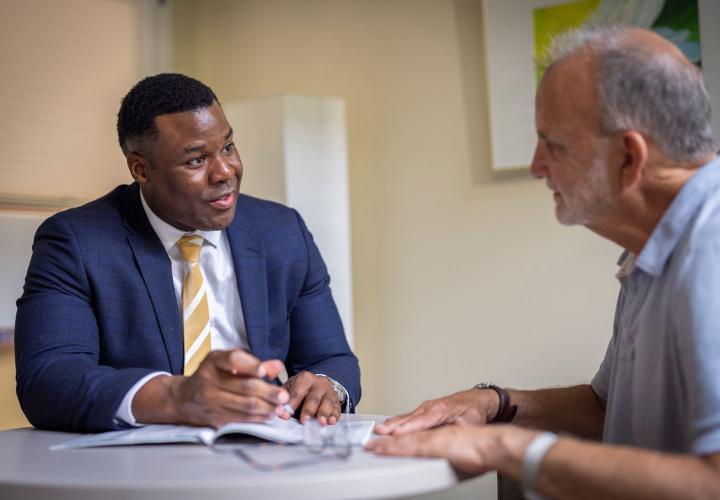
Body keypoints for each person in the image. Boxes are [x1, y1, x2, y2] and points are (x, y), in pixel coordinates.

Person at [367, 25, 720, 499]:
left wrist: (507, 449)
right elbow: (604, 409)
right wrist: (495, 404)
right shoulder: (653, 248)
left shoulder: (711, 246)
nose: (537, 166)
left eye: (554, 144)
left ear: (628, 158)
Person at [15, 73, 360, 433]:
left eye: (228, 147)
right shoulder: (78, 241)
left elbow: (332, 358)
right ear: (141, 169)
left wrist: (326, 387)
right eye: (196, 160)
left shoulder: (282, 231)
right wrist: (178, 396)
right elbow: (47, 378)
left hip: (263, 458)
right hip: (138, 471)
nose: (226, 171)